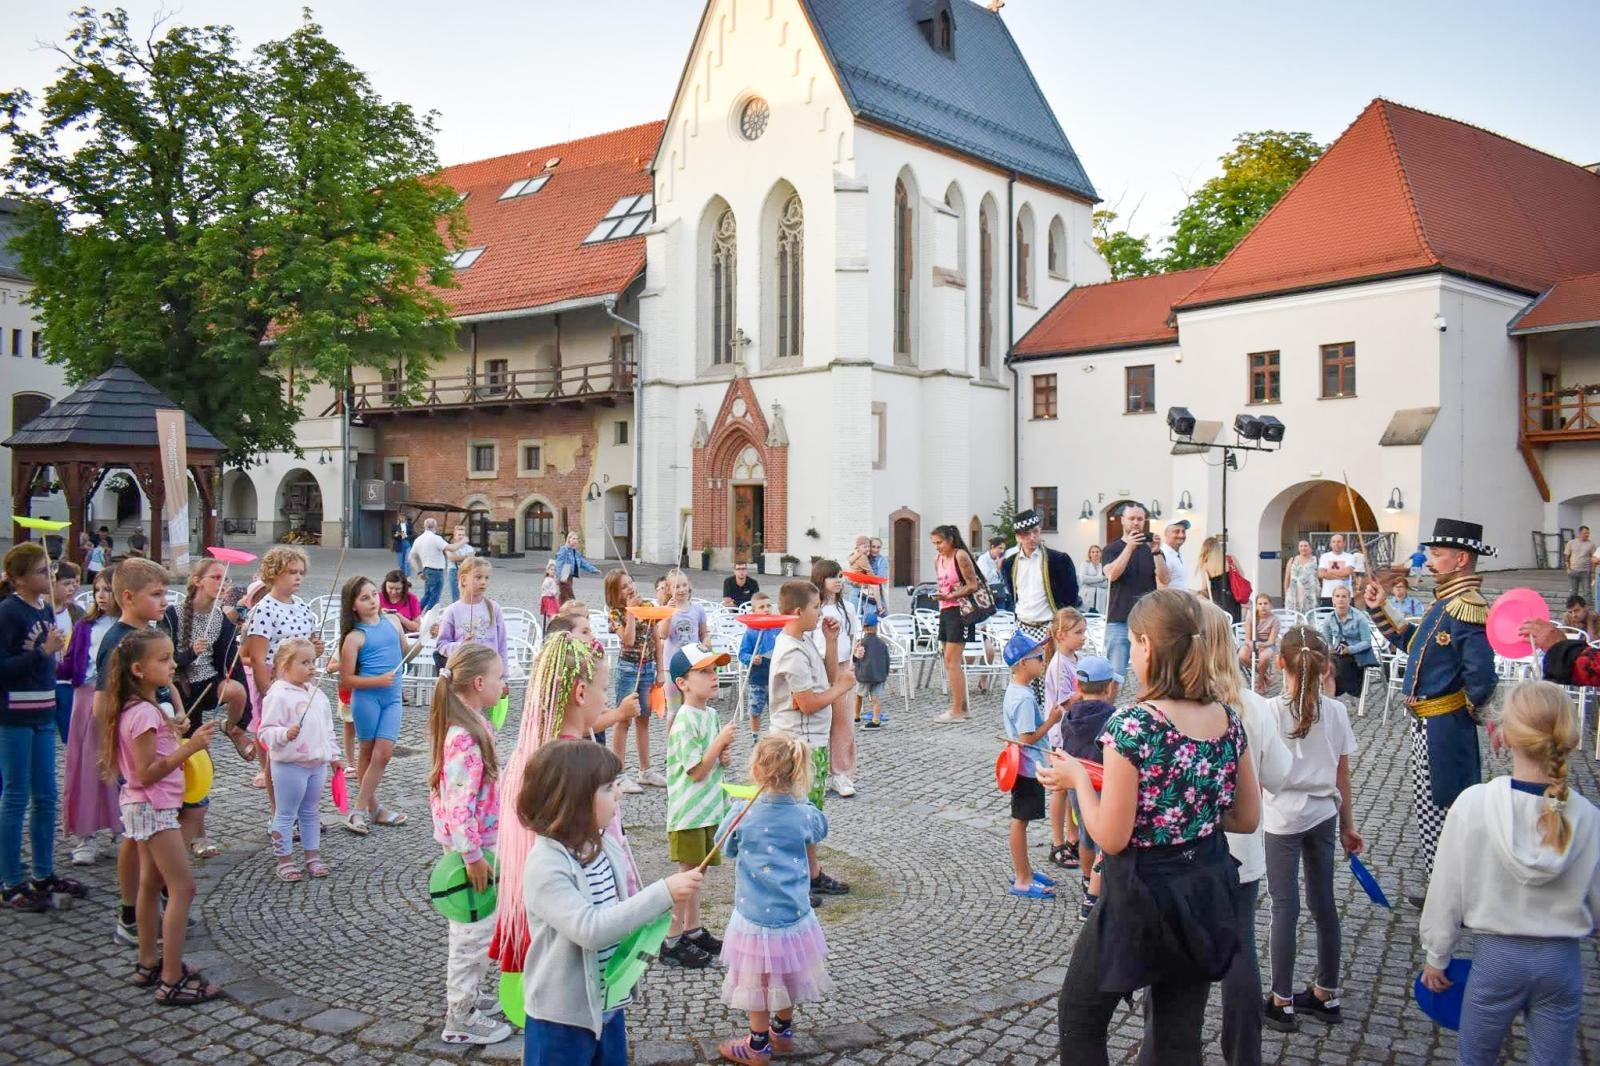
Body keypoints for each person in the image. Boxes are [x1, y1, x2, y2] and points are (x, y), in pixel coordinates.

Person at [1040, 589, 1259, 1066]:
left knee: (1080, 1015)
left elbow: (1111, 836)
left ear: (1146, 645)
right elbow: (1247, 817)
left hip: (1142, 894)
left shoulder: (1134, 726)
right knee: (1179, 1035)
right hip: (1202, 887)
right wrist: (1185, 809)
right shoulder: (1227, 719)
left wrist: (1079, 779)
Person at [1135, 602, 1288, 1066]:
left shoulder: (1175, 708)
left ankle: (1163, 1049)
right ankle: (1243, 1055)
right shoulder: (1252, 707)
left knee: (1172, 960)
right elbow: (1279, 775)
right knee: (1240, 953)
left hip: (1183, 854)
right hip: (1239, 855)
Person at [1419, 681, 1599, 1066]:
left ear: (1504, 734)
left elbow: (1447, 889)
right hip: (1561, 962)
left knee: (1476, 1058)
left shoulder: (1473, 804)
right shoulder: (1588, 817)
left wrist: (1437, 953)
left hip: (1497, 959)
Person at [519, 739, 700, 1063]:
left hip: (607, 1004)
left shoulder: (604, 846)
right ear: (572, 800)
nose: (619, 794)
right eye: (608, 788)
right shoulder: (546, 866)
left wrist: (656, 918)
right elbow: (591, 930)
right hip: (561, 1018)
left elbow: (620, 911)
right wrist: (662, 893)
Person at [489, 633, 644, 983]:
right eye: (604, 689)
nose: (606, 699)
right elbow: (610, 842)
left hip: (538, 910)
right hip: (587, 913)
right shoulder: (584, 768)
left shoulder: (531, 753)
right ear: (580, 692)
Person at [1362, 517, 1497, 893]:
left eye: (1437, 555)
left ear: (1461, 559)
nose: (1430, 561)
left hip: (1446, 725)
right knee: (1429, 806)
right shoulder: (1445, 604)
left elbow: (1482, 677)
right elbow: (1413, 645)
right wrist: (1379, 607)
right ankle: (1440, 884)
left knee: (1449, 805)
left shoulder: (1467, 606)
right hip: (1427, 723)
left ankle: (1456, 891)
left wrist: (1462, 711)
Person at [101, 626, 222, 1003]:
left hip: (144, 806)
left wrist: (174, 732)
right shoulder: (143, 713)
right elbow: (145, 773)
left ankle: (148, 961)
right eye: (164, 659)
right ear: (138, 669)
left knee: (151, 884)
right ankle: (171, 978)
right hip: (154, 809)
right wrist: (190, 748)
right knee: (182, 888)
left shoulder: (140, 708)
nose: (172, 665)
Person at [1261, 626, 1363, 1034]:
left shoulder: (1270, 711)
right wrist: (1348, 825)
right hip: (1323, 814)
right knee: (1324, 904)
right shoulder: (1336, 712)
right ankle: (1327, 992)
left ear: (1280, 663)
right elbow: (1342, 774)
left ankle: (1281, 999)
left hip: (1282, 818)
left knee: (1284, 906)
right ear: (1325, 668)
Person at [714, 733, 834, 1062]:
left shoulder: (743, 812)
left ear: (755, 770)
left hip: (754, 917)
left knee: (757, 978)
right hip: (794, 915)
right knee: (786, 971)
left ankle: (757, 1045)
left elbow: (725, 845)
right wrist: (802, 803)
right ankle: (782, 1031)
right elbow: (820, 830)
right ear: (797, 773)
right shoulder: (804, 813)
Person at [427, 643, 513, 1046]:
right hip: (471, 851)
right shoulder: (464, 736)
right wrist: (473, 856)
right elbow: (459, 805)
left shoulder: (473, 723)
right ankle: (460, 1015)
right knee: (472, 930)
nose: (503, 684)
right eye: (498, 677)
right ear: (479, 683)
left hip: (481, 843)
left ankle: (471, 996)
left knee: (479, 925)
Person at [95, 557, 172, 944]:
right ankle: (131, 912)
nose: (164, 601)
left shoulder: (148, 633)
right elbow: (102, 704)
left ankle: (154, 903)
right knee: (135, 835)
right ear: (128, 597)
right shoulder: (119, 642)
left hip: (156, 742)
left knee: (149, 833)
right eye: (155, 594)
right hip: (138, 756)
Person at [0, 542, 74, 912]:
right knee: (16, 796)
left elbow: (46, 664)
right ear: (18, 579)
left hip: (44, 711)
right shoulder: (8, 612)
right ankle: (10, 880)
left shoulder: (45, 608)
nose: (50, 576)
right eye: (43, 571)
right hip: (14, 715)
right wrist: (42, 652)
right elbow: (4, 667)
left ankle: (43, 873)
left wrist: (54, 656)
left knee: (46, 796)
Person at [769, 580, 854, 899]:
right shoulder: (790, 651)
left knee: (810, 811)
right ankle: (795, 879)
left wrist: (831, 643)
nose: (821, 613)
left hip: (812, 740)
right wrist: (842, 688)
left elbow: (826, 679)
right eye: (816, 607)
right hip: (797, 744)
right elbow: (808, 703)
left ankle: (812, 872)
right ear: (797, 611)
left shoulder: (803, 640)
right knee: (797, 814)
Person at [163, 558, 250, 858]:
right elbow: (164, 660)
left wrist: (244, 716)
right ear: (197, 581)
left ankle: (232, 728)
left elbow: (230, 663)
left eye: (225, 579)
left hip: (207, 687)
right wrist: (189, 654)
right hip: (177, 692)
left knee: (201, 765)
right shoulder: (173, 615)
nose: (222, 584)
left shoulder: (221, 619)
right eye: (215, 577)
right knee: (182, 764)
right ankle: (175, 830)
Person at [663, 642, 736, 968]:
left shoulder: (711, 715)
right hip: (689, 811)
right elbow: (696, 771)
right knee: (687, 874)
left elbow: (712, 762)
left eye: (715, 669)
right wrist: (718, 745)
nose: (714, 676)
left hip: (708, 808)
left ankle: (692, 929)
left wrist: (723, 754)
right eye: (704, 671)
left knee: (698, 871)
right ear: (683, 683)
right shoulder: (684, 721)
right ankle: (671, 938)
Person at [243, 546, 322, 808]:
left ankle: (303, 809)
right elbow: (257, 657)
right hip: (276, 682)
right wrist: (267, 692)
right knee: (277, 752)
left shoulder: (302, 606)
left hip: (303, 683)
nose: (298, 577)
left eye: (301, 572)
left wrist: (316, 649)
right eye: (291, 572)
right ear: (275, 573)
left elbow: (309, 647)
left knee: (303, 744)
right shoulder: (264, 609)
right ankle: (279, 812)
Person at [258, 638, 340, 881]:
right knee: (286, 813)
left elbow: (327, 729)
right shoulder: (278, 695)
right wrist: (284, 734)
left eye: (312, 661)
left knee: (311, 812)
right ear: (285, 665)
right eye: (304, 663)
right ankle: (284, 861)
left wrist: (334, 757)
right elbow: (265, 731)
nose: (311, 667)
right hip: (290, 765)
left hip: (317, 764)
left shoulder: (317, 694)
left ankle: (312, 857)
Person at [339, 576, 408, 834]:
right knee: (367, 752)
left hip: (392, 698)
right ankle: (372, 808)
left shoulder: (393, 621)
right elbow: (346, 679)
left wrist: (426, 635)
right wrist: (377, 680)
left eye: (374, 595)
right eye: (364, 598)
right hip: (366, 699)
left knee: (385, 753)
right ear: (353, 605)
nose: (372, 601)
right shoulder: (354, 637)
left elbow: (406, 652)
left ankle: (359, 809)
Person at [61, 568, 121, 866]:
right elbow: (69, 664)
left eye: (107, 589)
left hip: (122, 700)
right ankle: (87, 834)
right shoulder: (85, 626)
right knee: (87, 766)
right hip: (87, 698)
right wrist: (48, 654)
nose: (101, 595)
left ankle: (121, 827)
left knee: (122, 765)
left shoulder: (130, 625)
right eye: (97, 589)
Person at [1057, 657, 1120, 921]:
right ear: (1109, 687)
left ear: (1078, 686)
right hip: (1103, 785)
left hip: (1077, 786)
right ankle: (1098, 889)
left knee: (1085, 835)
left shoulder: (1070, 716)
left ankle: (1086, 879)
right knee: (1104, 839)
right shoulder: (1113, 717)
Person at [1001, 508, 1081, 708]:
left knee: (1051, 679)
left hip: (1048, 626)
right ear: (1018, 537)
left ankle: (1053, 719)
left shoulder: (1058, 560)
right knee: (1026, 678)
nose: (1032, 537)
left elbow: (1071, 597)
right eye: (1026, 534)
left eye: (1035, 531)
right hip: (1023, 626)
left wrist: (1059, 625)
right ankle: (1031, 718)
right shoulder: (1009, 564)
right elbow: (1014, 595)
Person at [1001, 630, 1059, 900]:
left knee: (1021, 821)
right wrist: (1052, 721)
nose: (1042, 661)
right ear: (1023, 663)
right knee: (1019, 822)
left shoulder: (1017, 690)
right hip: (1026, 768)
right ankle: (1022, 878)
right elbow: (1026, 739)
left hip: (1023, 766)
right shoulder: (1023, 698)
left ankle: (1025, 870)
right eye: (1038, 657)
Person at [1098, 502, 1168, 689]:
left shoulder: (1151, 549)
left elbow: (1165, 579)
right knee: (1115, 676)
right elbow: (1111, 575)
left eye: (1140, 519)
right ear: (1122, 521)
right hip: (1119, 620)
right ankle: (1109, 707)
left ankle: (1146, 706)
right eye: (1132, 518)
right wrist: (1129, 548)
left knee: (1150, 673)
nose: (1136, 523)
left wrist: (1156, 551)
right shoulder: (1111, 549)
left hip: (1146, 620)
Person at [605, 568, 661, 792]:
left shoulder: (648, 607)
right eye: (624, 587)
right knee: (624, 719)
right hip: (628, 669)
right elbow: (628, 641)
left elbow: (656, 638)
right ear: (615, 593)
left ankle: (645, 770)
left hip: (647, 668)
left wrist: (660, 670)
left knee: (644, 719)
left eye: (631, 583)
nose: (630, 588)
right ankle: (619, 774)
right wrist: (630, 612)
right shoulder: (615, 614)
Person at [810, 560, 860, 796]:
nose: (838, 581)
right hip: (817, 667)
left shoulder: (847, 608)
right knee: (818, 720)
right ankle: (813, 770)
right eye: (833, 577)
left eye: (840, 576)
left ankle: (841, 773)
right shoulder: (814, 608)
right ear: (821, 579)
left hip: (842, 666)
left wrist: (857, 652)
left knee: (843, 722)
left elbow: (851, 637)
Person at [1042, 607, 1087, 869]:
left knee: (1072, 789)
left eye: (1083, 632)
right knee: (1060, 790)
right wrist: (1087, 691)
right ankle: (1057, 843)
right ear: (1061, 635)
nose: (1083, 637)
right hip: (1061, 734)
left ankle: (1073, 837)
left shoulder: (1075, 658)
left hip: (1074, 731)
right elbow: (1063, 703)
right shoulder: (1059, 665)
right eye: (1078, 632)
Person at [930, 524, 983, 724]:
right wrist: (942, 596)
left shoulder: (960, 555)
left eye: (939, 542)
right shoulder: (938, 559)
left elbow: (973, 585)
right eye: (934, 543)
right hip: (945, 609)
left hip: (960, 610)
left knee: (952, 661)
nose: (937, 547)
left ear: (950, 540)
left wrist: (950, 595)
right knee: (949, 661)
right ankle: (962, 707)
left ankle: (957, 710)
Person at [435, 557, 508, 682]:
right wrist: (461, 646)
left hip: (490, 673)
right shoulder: (452, 611)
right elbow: (442, 645)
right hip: (464, 674)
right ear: (464, 580)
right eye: (478, 577)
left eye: (486, 578)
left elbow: (502, 645)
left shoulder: (494, 608)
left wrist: (504, 677)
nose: (483, 582)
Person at [660, 568, 708, 727]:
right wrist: (668, 613)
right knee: (674, 711)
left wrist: (706, 642)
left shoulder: (698, 610)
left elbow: (703, 633)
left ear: (689, 586)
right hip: (671, 667)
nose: (681, 589)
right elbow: (663, 635)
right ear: (669, 590)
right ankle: (671, 741)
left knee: (694, 707)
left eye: (684, 585)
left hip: (692, 665)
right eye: (676, 586)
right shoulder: (666, 610)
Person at [1318, 586, 1376, 699]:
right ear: (1333, 599)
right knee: (1326, 664)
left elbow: (1367, 642)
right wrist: (1330, 647)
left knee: (1335, 666)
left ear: (1349, 599)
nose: (1340, 599)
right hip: (1338, 653)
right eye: (1337, 596)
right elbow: (1326, 640)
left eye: (1344, 596)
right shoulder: (1329, 618)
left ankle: (1332, 696)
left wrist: (1349, 650)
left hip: (1358, 654)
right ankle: (1329, 699)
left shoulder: (1360, 618)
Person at [49, 561, 83, 743]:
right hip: (46, 680)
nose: (72, 588)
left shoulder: (76, 612)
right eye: (66, 584)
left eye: (74, 583)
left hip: (67, 682)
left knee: (69, 733)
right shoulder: (42, 611)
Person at [738, 592, 779, 733]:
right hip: (758, 678)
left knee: (776, 710)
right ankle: (755, 737)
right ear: (753, 611)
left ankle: (776, 735)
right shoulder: (751, 632)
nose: (766, 609)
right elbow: (742, 654)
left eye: (768, 606)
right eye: (761, 607)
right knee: (755, 710)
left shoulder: (778, 628)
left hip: (775, 677)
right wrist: (751, 658)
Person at [1194, 535, 1242, 623]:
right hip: (1233, 598)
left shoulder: (1206, 565)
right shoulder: (1231, 559)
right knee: (1234, 624)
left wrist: (1197, 594)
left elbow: (1205, 587)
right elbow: (1241, 575)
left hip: (1217, 599)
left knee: (1220, 624)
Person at [853, 616, 890, 729]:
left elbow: (855, 659)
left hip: (864, 676)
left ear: (863, 628)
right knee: (876, 699)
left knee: (858, 696)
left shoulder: (861, 643)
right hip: (878, 676)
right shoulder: (882, 644)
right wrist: (885, 674)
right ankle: (876, 720)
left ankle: (856, 716)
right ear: (876, 627)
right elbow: (887, 661)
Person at [1240, 593, 1281, 695]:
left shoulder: (1275, 620)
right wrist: (1252, 644)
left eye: (1265, 603)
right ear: (1256, 606)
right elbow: (1247, 639)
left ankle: (1260, 681)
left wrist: (1262, 645)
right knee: (1242, 655)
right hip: (1253, 643)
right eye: (1260, 604)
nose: (1263, 606)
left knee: (1264, 656)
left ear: (1271, 605)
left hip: (1268, 644)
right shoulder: (1251, 617)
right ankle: (1264, 676)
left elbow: (1271, 641)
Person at [410, 518, 451, 613]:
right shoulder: (436, 538)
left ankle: (415, 613)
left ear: (424, 526)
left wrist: (419, 572)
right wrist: (462, 542)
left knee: (428, 595)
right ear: (435, 527)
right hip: (436, 570)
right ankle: (429, 616)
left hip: (426, 570)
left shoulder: (418, 539)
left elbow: (411, 557)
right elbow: (450, 548)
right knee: (434, 597)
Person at [1316, 534, 1360, 608]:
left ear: (1344, 543)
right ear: (1330, 544)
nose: (1336, 544)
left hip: (1346, 595)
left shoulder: (1350, 557)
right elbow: (1321, 574)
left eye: (1339, 541)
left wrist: (1329, 572)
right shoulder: (1324, 556)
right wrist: (1342, 576)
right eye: (1334, 542)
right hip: (1328, 594)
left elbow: (1348, 572)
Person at [554, 530, 599, 604]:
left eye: (577, 539)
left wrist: (593, 570)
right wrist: (559, 577)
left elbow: (583, 563)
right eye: (574, 538)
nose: (576, 541)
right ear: (569, 539)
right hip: (564, 576)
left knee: (564, 596)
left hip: (570, 577)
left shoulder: (575, 552)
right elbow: (559, 564)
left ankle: (561, 609)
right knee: (568, 596)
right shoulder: (564, 550)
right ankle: (570, 608)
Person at [378, 570, 421, 635]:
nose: (393, 592)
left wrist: (400, 617)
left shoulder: (412, 598)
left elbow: (417, 627)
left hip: (406, 635)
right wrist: (379, 613)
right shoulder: (378, 597)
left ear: (403, 587)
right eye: (390, 588)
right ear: (385, 586)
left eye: (397, 589)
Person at [1283, 540, 1319, 616]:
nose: (1303, 548)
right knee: (1294, 617)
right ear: (1298, 548)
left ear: (1310, 548)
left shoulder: (1316, 560)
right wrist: (1287, 594)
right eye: (1301, 546)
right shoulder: (1292, 560)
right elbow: (1287, 578)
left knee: (1310, 617)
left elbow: (1319, 577)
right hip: (1294, 595)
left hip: (1311, 594)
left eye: (1305, 546)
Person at [444, 524, 476, 605]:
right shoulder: (449, 547)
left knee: (467, 594)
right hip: (453, 571)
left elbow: (471, 561)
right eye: (459, 535)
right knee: (455, 596)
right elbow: (453, 558)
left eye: (463, 535)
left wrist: (461, 558)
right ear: (455, 536)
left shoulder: (469, 548)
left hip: (466, 572)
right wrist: (466, 557)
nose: (461, 537)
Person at [978, 536, 1010, 611]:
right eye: (1000, 548)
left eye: (1003, 549)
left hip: (1001, 592)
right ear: (992, 547)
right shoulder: (983, 559)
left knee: (1004, 614)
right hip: (988, 594)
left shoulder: (1001, 558)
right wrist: (997, 568)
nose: (1002, 551)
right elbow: (986, 578)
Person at [1563, 525, 1595, 600]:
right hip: (1573, 571)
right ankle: (1572, 606)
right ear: (1580, 533)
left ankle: (1588, 606)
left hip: (1585, 572)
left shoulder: (1591, 544)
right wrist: (1568, 568)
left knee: (1587, 591)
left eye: (1588, 533)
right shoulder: (1571, 543)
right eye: (1585, 533)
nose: (1587, 535)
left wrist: (1593, 571)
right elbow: (1567, 555)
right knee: (1573, 592)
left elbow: (1594, 558)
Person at [1159, 520, 1191, 592]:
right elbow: (1161, 587)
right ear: (1166, 534)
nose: (1181, 535)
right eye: (1176, 532)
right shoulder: (1162, 555)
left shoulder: (1179, 555)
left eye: (1183, 532)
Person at [1079, 544, 1108, 616]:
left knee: (1100, 617)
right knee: (1087, 616)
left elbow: (1106, 583)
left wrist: (1090, 582)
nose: (1095, 554)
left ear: (1101, 553)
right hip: (1087, 596)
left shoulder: (1104, 566)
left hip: (1101, 597)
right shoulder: (1085, 564)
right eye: (1093, 552)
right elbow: (1083, 579)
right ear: (1090, 554)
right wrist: (1101, 578)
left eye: (1097, 552)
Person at [392, 513, 413, 578]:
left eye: (403, 517)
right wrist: (397, 535)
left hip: (407, 544)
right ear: (399, 518)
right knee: (401, 563)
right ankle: (402, 575)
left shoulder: (409, 525)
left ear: (405, 518)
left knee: (407, 561)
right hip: (399, 544)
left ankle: (407, 577)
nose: (402, 519)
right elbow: (392, 536)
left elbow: (413, 535)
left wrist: (406, 536)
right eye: (400, 517)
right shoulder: (395, 526)